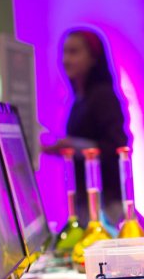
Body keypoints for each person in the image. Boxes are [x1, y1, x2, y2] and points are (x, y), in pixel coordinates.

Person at [42, 27, 128, 226]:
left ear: (93, 58)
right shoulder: (78, 99)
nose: (66, 59)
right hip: (87, 200)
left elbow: (115, 146)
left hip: (106, 202)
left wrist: (71, 145)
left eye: (74, 52)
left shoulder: (103, 95)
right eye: (64, 52)